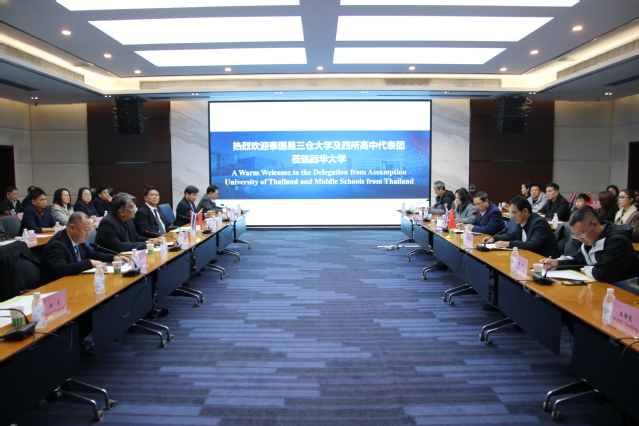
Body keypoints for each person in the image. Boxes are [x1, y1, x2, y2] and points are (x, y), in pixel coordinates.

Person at [543, 209, 639, 285]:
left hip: (626, 289)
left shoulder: (617, 241)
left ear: (594, 225)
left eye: (581, 234)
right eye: (576, 235)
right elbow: (579, 259)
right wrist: (557, 263)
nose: (579, 239)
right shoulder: (592, 238)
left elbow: (603, 274)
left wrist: (584, 268)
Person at [40, 212, 128, 284]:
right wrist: (89, 263)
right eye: (86, 230)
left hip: (74, 281)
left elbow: (90, 254)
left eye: (89, 230)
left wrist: (114, 258)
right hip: (58, 287)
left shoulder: (77, 239)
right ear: (72, 228)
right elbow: (61, 269)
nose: (88, 234)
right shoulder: (57, 245)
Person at [483, 197, 559, 258]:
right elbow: (514, 234)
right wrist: (494, 238)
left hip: (544, 259)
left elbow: (533, 244)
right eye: (511, 213)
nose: (513, 216)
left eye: (514, 213)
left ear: (525, 211)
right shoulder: (523, 220)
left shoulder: (539, 223)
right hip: (529, 256)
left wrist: (509, 244)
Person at [95, 193, 160, 253]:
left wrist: (150, 240)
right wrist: (146, 244)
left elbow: (135, 238)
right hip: (112, 257)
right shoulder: (107, 223)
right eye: (132, 207)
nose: (134, 209)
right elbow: (119, 246)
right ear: (121, 212)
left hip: (127, 254)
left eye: (134, 206)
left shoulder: (128, 219)